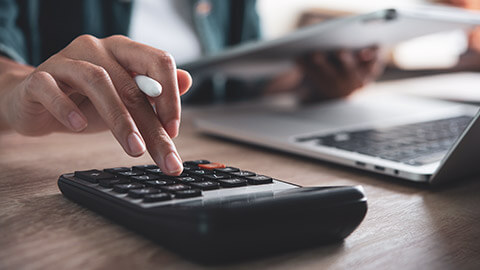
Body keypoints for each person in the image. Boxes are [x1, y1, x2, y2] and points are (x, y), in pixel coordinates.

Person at [0, 0, 381, 175]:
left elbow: (242, 83)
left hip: (220, 152)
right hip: (50, 161)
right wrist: (16, 88)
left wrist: (314, 81)